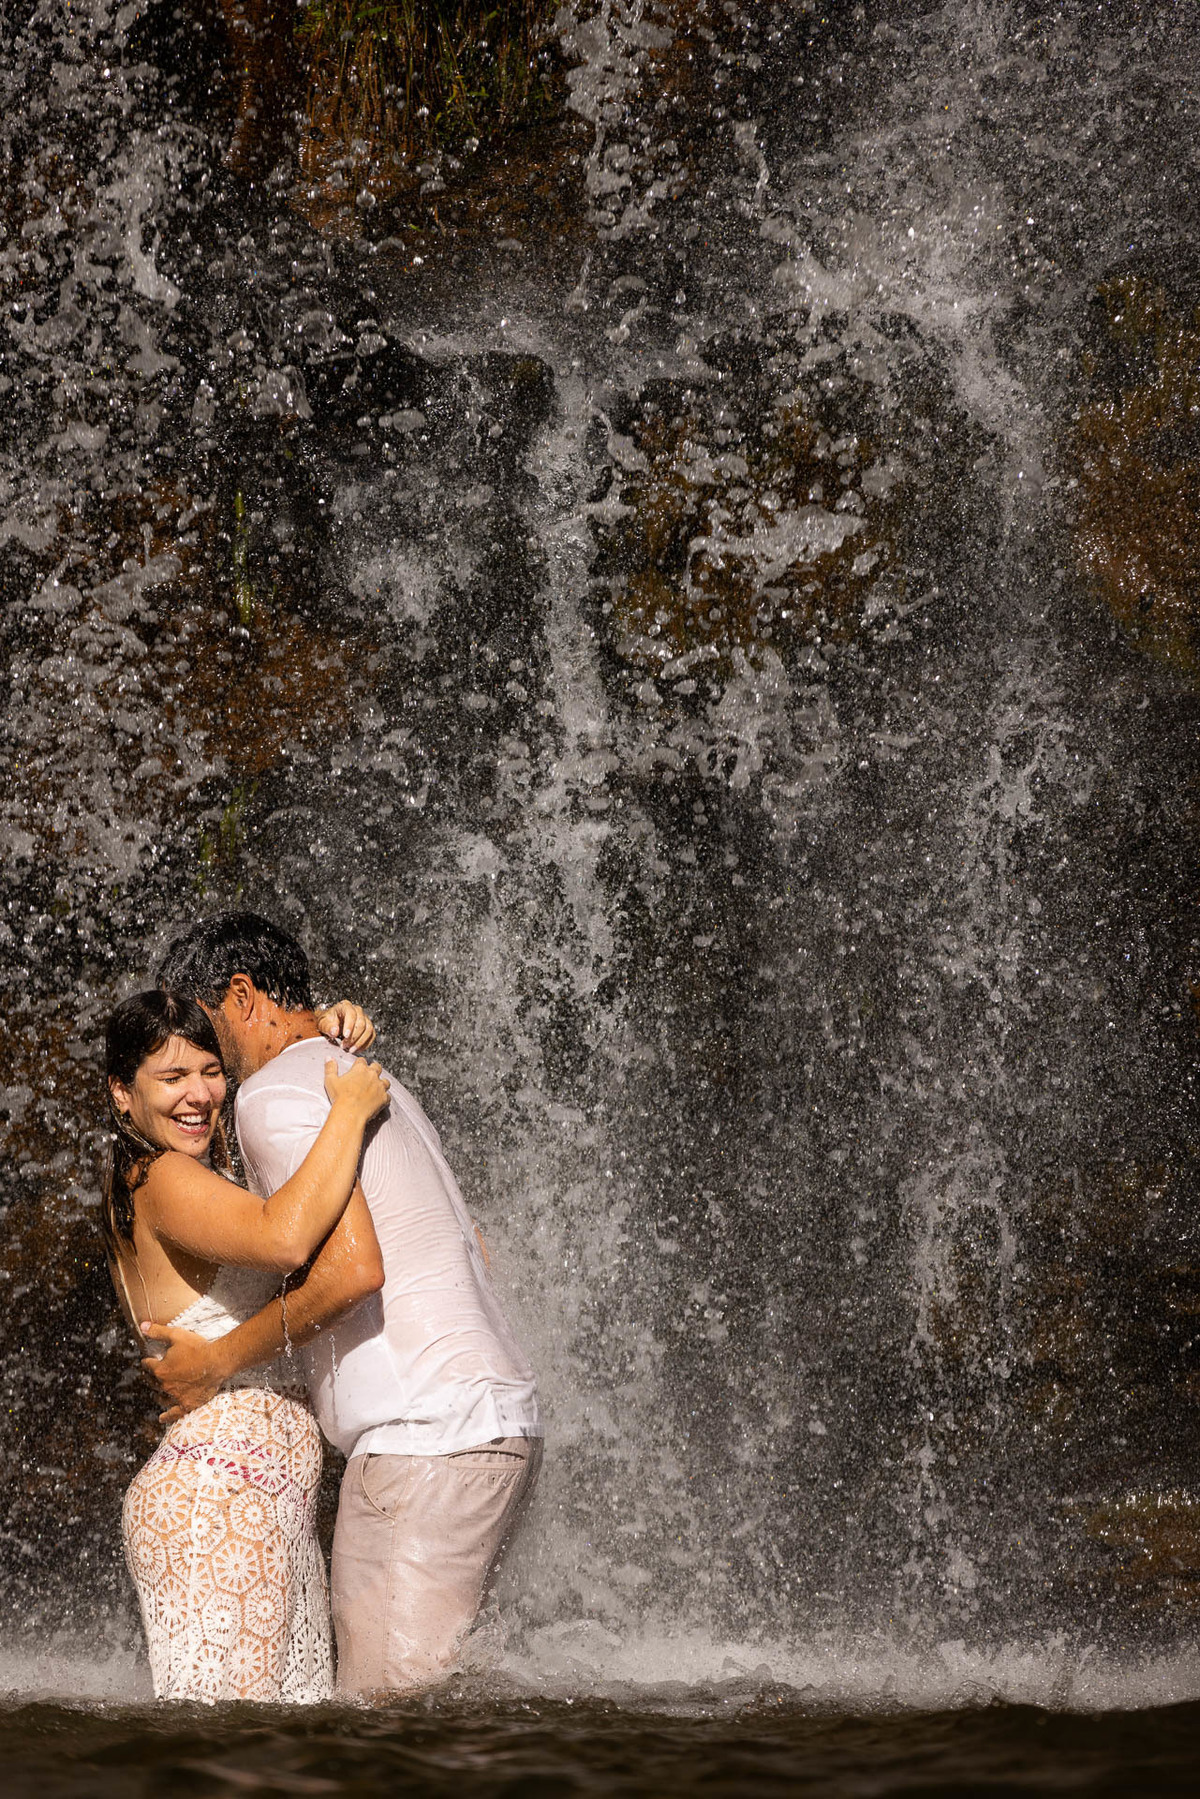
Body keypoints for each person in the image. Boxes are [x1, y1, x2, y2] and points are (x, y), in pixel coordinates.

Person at [142, 913, 543, 1697]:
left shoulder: (269, 1096)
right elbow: (475, 1247)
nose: (193, 1051)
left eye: (200, 1021)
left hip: (425, 1435)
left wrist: (219, 1358)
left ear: (242, 995)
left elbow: (355, 1267)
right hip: (494, 1421)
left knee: (383, 1726)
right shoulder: (365, 1078)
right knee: (439, 1705)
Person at [104, 987, 390, 1703]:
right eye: (171, 1078)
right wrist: (348, 1110)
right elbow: (283, 1234)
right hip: (216, 1495)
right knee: (231, 1756)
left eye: (209, 1069)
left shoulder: (196, 1167)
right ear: (122, 1094)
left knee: (278, 1755)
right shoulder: (157, 1177)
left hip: (258, 1497)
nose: (198, 1094)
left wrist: (314, 1031)